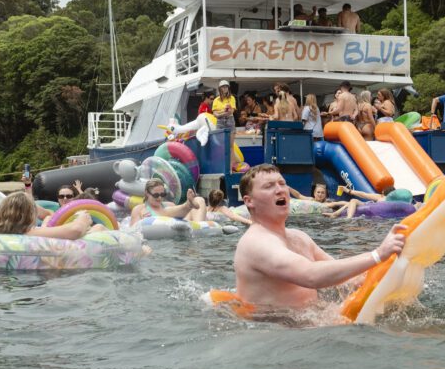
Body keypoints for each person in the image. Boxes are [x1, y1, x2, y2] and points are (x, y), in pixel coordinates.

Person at [234, 164, 406, 308]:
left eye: (282, 183)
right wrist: (377, 255)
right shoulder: (256, 243)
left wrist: (392, 272)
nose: (280, 190)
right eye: (269, 186)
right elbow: (311, 276)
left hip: (306, 323)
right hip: (273, 331)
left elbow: (344, 276)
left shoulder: (299, 237)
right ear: (249, 201)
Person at [0, 191, 92, 239]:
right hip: (35, 281)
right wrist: (83, 218)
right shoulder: (30, 232)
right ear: (29, 215)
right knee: (98, 228)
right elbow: (76, 230)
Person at [130, 179, 207, 226]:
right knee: (166, 211)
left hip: (179, 225)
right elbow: (132, 232)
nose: (160, 198)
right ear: (147, 193)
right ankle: (187, 205)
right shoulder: (139, 209)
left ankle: (198, 226)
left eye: (162, 194)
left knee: (199, 199)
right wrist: (143, 222)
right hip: (159, 232)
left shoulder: (169, 204)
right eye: (156, 195)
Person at [212, 80, 237, 170]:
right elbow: (215, 114)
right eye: (223, 87)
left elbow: (231, 112)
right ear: (220, 89)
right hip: (220, 122)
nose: (225, 88)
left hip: (229, 121)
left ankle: (231, 168)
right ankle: (221, 166)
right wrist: (224, 112)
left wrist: (220, 113)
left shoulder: (232, 98)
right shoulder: (216, 100)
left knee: (230, 146)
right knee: (219, 145)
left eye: (226, 86)